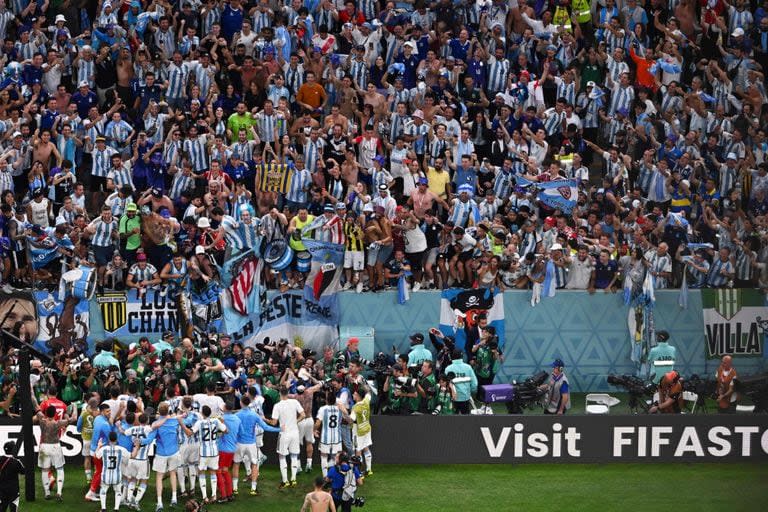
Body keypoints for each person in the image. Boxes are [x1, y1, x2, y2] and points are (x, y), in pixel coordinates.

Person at [139, 402, 184, 512]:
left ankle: (159, 503)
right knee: (173, 473)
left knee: (159, 477)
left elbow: (149, 440)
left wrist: (139, 441)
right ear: (168, 410)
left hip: (161, 453)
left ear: (159, 411)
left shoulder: (157, 423)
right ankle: (174, 499)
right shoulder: (174, 421)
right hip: (174, 452)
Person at [233, 396, 280, 496]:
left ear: (241, 403)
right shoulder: (254, 415)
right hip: (251, 444)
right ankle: (253, 488)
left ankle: (235, 488)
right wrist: (279, 429)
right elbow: (266, 427)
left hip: (239, 443)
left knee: (236, 465)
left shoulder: (237, 415)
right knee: (254, 464)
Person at [181, 405, 226, 504]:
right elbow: (226, 430)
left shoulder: (199, 423)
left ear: (202, 413)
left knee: (201, 472)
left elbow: (189, 433)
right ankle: (213, 496)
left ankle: (205, 497)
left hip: (204, 452)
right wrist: (221, 422)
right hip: (214, 451)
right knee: (213, 472)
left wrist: (182, 424)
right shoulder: (216, 421)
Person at [266, 386, 305, 489]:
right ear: (288, 392)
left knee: (282, 456)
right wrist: (296, 421)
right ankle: (293, 478)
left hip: (284, 433)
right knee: (294, 456)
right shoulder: (294, 402)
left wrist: (265, 419)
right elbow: (303, 415)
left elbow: (274, 422)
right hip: (294, 433)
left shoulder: (277, 406)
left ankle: (285, 480)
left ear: (279, 393)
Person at [34, 406, 69, 501]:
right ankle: (59, 492)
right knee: (60, 468)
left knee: (45, 470)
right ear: (55, 414)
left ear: (45, 412)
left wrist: (31, 392)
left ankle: (47, 493)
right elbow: (72, 418)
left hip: (44, 446)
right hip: (55, 446)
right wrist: (73, 408)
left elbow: (35, 406)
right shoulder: (58, 423)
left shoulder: (42, 420)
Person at [95, 431, 132, 512]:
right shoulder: (121, 449)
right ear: (116, 439)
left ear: (109, 439)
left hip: (106, 475)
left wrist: (99, 446)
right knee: (118, 491)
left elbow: (97, 456)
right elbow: (130, 456)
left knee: (103, 490)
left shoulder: (103, 449)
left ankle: (103, 508)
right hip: (117, 475)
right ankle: (116, 509)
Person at [315, 394, 343, 478]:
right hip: (337, 437)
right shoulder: (339, 409)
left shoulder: (322, 409)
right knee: (336, 457)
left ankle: (325, 477)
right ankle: (334, 476)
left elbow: (318, 423)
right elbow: (340, 421)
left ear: (326, 400)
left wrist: (313, 430)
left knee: (323, 456)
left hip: (325, 438)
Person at [443, 350, 478, 415]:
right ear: (462, 357)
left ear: (452, 357)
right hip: (465, 397)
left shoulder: (448, 369)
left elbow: (445, 384)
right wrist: (471, 391)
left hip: (453, 398)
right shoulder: (468, 367)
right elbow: (474, 384)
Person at [349, 389, 373, 477]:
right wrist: (362, 383)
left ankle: (359, 472)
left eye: (354, 393)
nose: (353, 394)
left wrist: (344, 412)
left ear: (358, 396)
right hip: (367, 428)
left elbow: (351, 420)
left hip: (358, 431)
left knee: (358, 451)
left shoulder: (356, 407)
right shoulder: (366, 401)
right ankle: (369, 469)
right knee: (366, 447)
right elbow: (369, 392)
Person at [0, 441, 24, 512]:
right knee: (13, 509)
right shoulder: (16, 462)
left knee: (2, 508)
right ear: (13, 450)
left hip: (2, 488)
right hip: (13, 490)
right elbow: (23, 471)